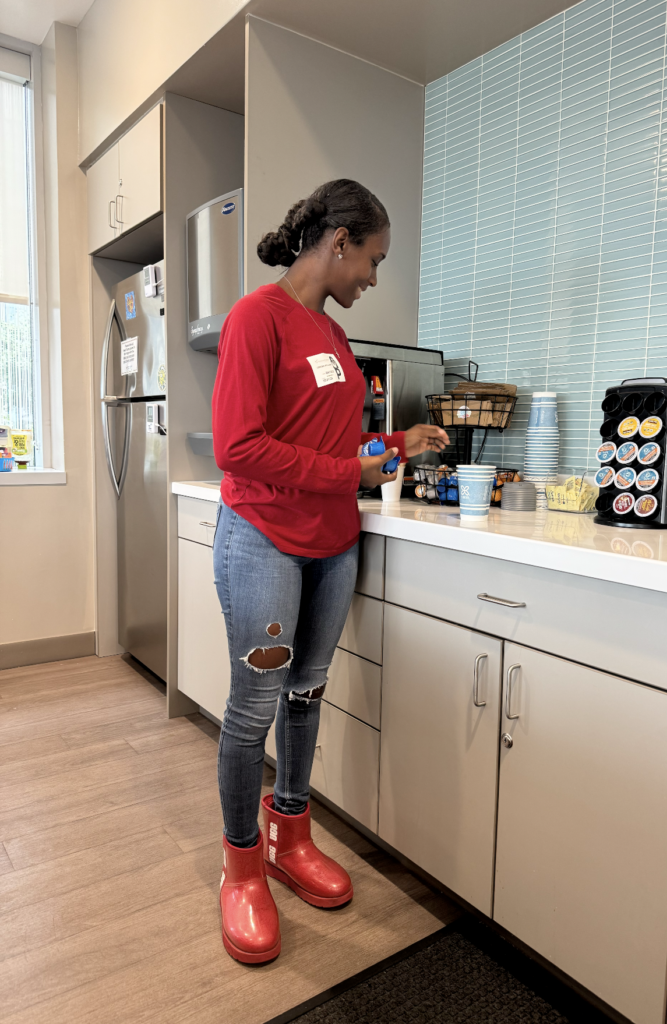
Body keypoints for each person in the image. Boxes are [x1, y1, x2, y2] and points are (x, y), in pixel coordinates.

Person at [211, 179, 449, 964]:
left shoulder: (334, 338)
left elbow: (331, 448)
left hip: (332, 541)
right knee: (254, 711)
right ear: (339, 239)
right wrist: (345, 466)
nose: (373, 279)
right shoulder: (258, 318)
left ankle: (290, 835)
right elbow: (238, 448)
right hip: (264, 537)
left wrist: (388, 451)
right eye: (373, 261)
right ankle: (242, 866)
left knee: (307, 697)